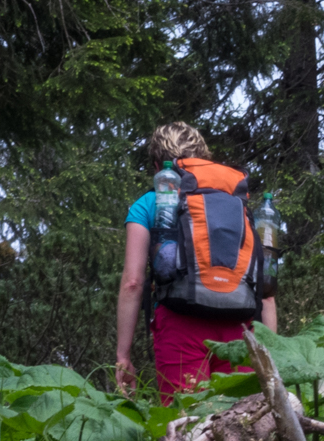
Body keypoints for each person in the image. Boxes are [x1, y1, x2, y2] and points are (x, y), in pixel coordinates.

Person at [115, 122, 277, 401]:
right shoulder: (239, 207)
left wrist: (123, 356)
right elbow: (266, 292)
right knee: (238, 427)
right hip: (239, 328)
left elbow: (133, 282)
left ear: (158, 166)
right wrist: (272, 355)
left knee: (186, 425)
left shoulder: (149, 203)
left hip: (180, 324)